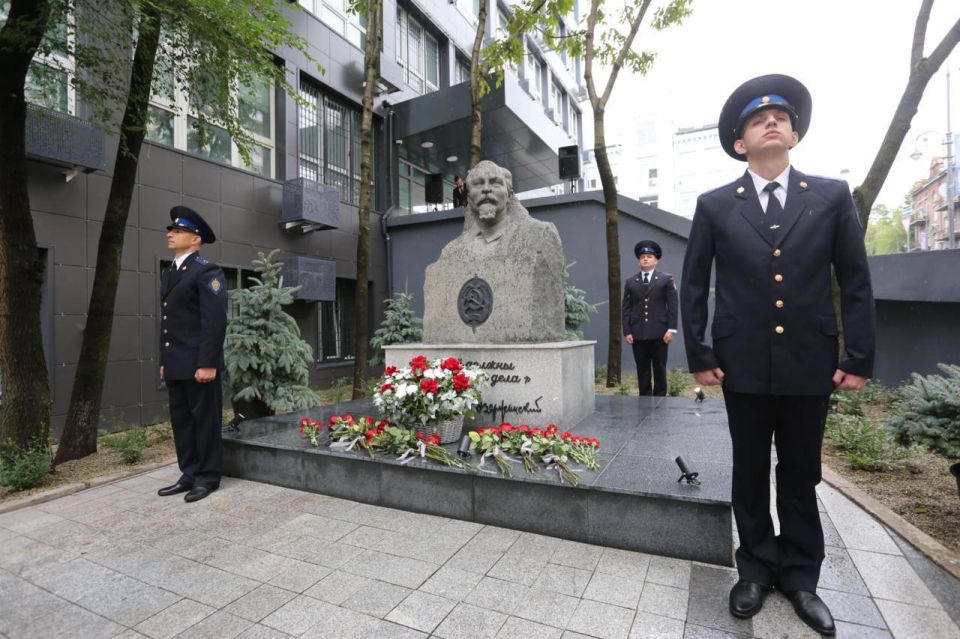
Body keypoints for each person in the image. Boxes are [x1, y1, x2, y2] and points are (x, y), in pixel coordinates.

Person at [680, 74, 875, 636]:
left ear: (794, 134)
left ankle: (801, 577)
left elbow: (855, 280)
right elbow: (694, 285)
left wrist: (858, 357)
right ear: (740, 143)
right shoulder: (715, 206)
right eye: (757, 120)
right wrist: (700, 352)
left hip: (811, 360)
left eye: (782, 118)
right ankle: (756, 569)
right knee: (748, 470)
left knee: (800, 472)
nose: (772, 122)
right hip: (739, 361)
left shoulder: (831, 196)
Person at [156, 205, 228, 503]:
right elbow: (167, 321)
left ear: (195, 239)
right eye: (170, 230)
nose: (170, 234)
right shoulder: (170, 272)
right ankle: (189, 473)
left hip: (200, 364)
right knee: (182, 420)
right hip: (177, 363)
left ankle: (208, 477)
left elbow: (214, 321)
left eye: (178, 231)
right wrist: (164, 361)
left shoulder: (206, 271)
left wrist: (208, 363)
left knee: (204, 420)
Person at [622, 240, 677, 396]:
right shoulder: (631, 282)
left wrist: (671, 329)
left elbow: (672, 307)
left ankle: (660, 398)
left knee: (659, 366)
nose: (645, 259)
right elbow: (626, 308)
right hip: (638, 333)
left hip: (660, 332)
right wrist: (627, 331)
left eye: (649, 256)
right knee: (642, 368)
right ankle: (644, 399)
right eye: (642, 257)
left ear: (656, 260)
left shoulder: (666, 280)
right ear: (638, 260)